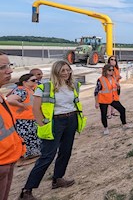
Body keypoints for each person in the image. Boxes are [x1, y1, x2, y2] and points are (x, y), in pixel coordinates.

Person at [19, 60, 87, 200]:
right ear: (56, 72)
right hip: (55, 122)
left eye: (68, 70)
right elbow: (36, 108)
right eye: (63, 70)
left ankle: (58, 179)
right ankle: (27, 190)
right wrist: (42, 124)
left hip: (71, 120)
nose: (66, 73)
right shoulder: (45, 87)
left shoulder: (73, 85)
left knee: (65, 151)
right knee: (47, 156)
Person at [0, 51, 25, 200]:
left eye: (9, 65)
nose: (9, 70)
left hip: (8, 160)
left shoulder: (2, 97)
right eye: (2, 67)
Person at [7, 74, 42, 165]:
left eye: (36, 80)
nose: (36, 82)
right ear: (25, 82)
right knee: (26, 140)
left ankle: (32, 155)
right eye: (33, 80)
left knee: (33, 138)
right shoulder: (21, 90)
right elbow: (10, 100)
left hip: (30, 119)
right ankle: (23, 159)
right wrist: (22, 106)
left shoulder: (30, 89)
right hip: (23, 121)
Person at [94, 64, 132, 135]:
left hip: (113, 98)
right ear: (105, 71)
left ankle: (124, 124)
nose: (112, 71)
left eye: (112, 70)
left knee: (122, 109)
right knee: (104, 114)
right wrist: (96, 102)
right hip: (103, 99)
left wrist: (118, 87)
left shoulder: (113, 78)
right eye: (110, 70)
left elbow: (116, 90)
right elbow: (96, 92)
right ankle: (105, 128)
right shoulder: (100, 80)